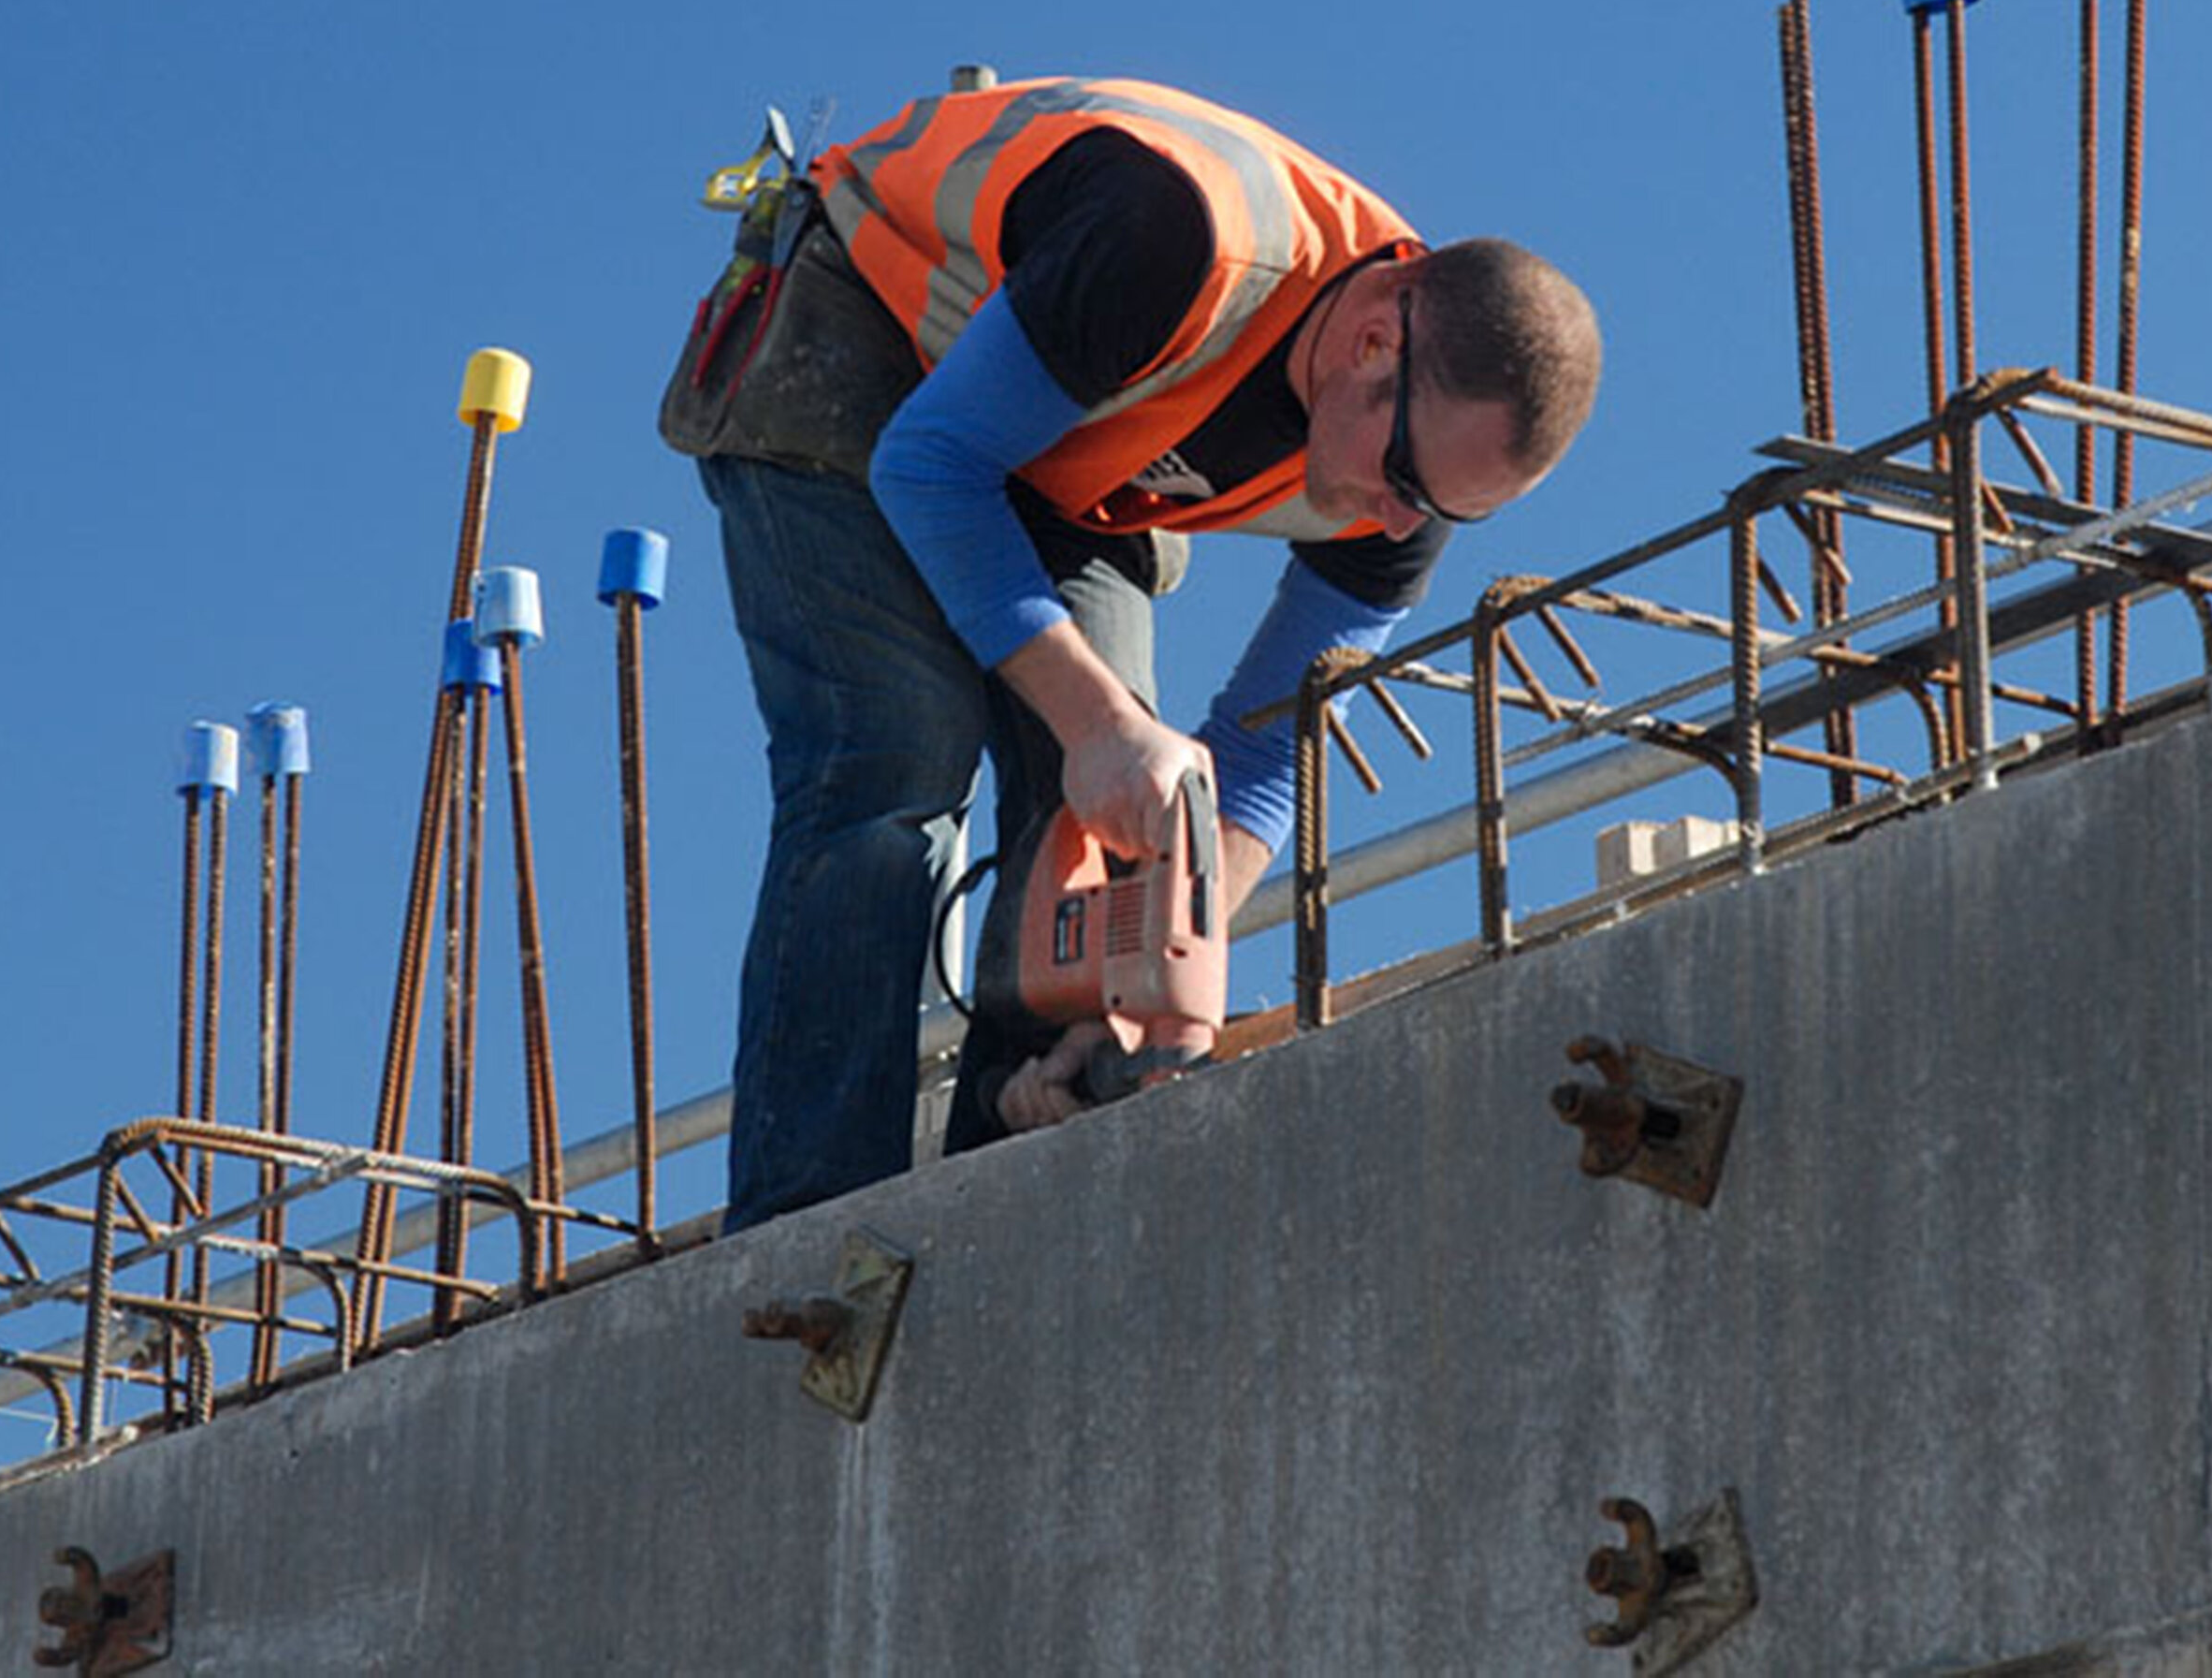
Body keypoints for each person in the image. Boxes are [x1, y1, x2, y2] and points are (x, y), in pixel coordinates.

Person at [671, 73, 1598, 1230]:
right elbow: (932, 462)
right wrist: (1098, 723)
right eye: (1407, 480)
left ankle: (994, 1185)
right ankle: (808, 1222)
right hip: (860, 326)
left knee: (1116, 830)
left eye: (1448, 511)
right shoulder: (1176, 238)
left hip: (1067, 455)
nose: (1404, 524)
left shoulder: (1403, 502)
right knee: (893, 754)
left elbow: (1255, 760)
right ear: (1373, 337)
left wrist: (1142, 986)